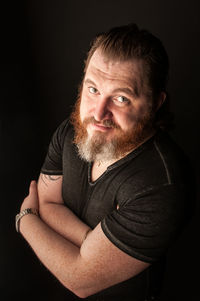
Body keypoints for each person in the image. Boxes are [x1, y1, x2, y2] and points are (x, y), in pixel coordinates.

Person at [16, 23, 194, 300]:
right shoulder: (71, 131)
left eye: (121, 98)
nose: (99, 113)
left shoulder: (162, 184)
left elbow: (79, 280)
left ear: (156, 102)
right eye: (93, 89)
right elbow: (48, 201)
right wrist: (88, 244)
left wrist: (25, 221)